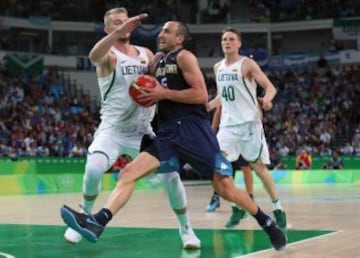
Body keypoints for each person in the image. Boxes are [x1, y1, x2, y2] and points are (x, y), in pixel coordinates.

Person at [60, 20, 286, 251]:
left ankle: (266, 222)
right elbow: (127, 71)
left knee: (225, 188)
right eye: (161, 31)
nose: (161, 34)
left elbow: (200, 95)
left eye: (167, 32)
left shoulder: (185, 57)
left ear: (179, 38)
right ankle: (99, 221)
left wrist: (163, 93)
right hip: (167, 133)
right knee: (128, 173)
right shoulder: (156, 60)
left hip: (194, 132)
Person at [63, 8, 200, 249]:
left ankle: (186, 229)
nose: (122, 25)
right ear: (108, 29)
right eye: (116, 23)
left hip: (143, 130)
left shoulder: (147, 54)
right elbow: (94, 56)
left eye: (124, 21)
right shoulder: (109, 56)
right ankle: (83, 217)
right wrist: (118, 32)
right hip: (113, 129)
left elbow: (164, 78)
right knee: (94, 169)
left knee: (171, 177)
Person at [208, 27, 287, 229]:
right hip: (227, 126)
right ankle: (238, 207)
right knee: (217, 168)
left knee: (259, 168)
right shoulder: (218, 67)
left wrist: (267, 100)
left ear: (239, 43)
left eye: (231, 39)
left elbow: (270, 87)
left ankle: (278, 208)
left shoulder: (247, 64)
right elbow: (222, 96)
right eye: (224, 39)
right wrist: (209, 105)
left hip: (250, 124)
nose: (227, 42)